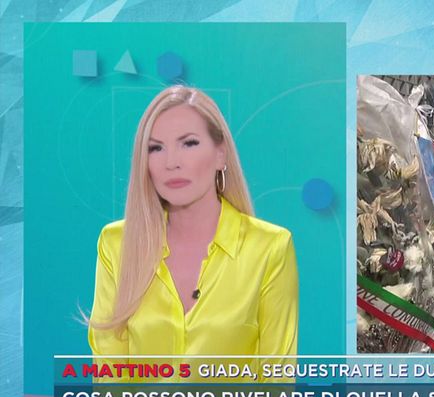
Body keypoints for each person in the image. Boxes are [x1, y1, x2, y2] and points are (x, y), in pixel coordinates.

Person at [87, 86, 298, 381]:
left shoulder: (270, 248)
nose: (171, 162)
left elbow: (277, 383)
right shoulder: (116, 245)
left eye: (188, 143)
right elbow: (110, 381)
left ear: (221, 154)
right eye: (156, 148)